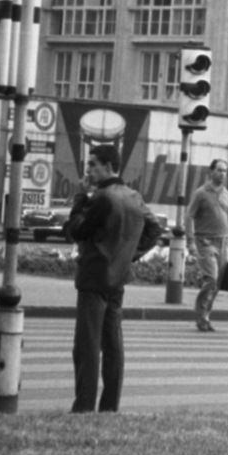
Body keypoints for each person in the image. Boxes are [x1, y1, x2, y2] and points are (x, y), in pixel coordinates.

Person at [65, 142, 150, 413]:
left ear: (109, 167)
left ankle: (84, 407)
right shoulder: (133, 196)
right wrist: (129, 255)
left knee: (87, 346)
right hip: (118, 278)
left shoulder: (101, 197)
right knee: (113, 344)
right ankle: (109, 406)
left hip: (94, 278)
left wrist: (80, 196)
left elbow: (76, 230)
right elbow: (155, 227)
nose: (88, 170)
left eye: (92, 165)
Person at [184, 157, 228, 329]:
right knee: (211, 278)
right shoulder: (201, 193)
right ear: (211, 172)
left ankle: (205, 316)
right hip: (204, 241)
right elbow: (189, 216)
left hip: (223, 241)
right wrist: (190, 242)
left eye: (225, 170)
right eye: (219, 170)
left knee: (217, 283)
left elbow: (227, 217)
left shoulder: (226, 194)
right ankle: (200, 313)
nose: (222, 173)